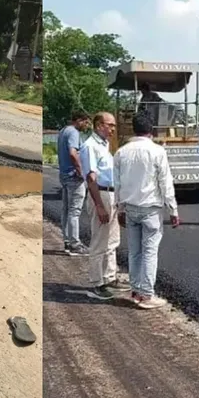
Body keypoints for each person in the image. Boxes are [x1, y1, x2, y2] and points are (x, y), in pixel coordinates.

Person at [114, 112, 179, 309]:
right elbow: (165, 182)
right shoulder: (157, 151)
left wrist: (120, 209)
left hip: (131, 208)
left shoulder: (121, 152)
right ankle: (146, 295)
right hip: (150, 209)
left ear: (134, 129)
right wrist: (173, 209)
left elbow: (118, 184)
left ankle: (135, 290)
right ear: (151, 130)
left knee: (134, 251)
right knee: (150, 252)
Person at [79, 112, 130, 300]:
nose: (113, 129)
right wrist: (99, 206)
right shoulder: (90, 146)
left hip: (111, 193)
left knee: (112, 240)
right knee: (100, 240)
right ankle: (97, 283)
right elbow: (91, 178)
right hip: (100, 194)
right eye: (110, 125)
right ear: (99, 125)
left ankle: (109, 276)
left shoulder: (104, 145)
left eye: (114, 126)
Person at [58, 111, 92, 256]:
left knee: (66, 209)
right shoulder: (73, 133)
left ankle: (67, 241)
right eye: (86, 122)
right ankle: (75, 244)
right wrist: (81, 171)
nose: (87, 125)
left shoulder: (63, 131)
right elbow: (73, 153)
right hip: (73, 177)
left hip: (64, 175)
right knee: (74, 211)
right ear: (79, 120)